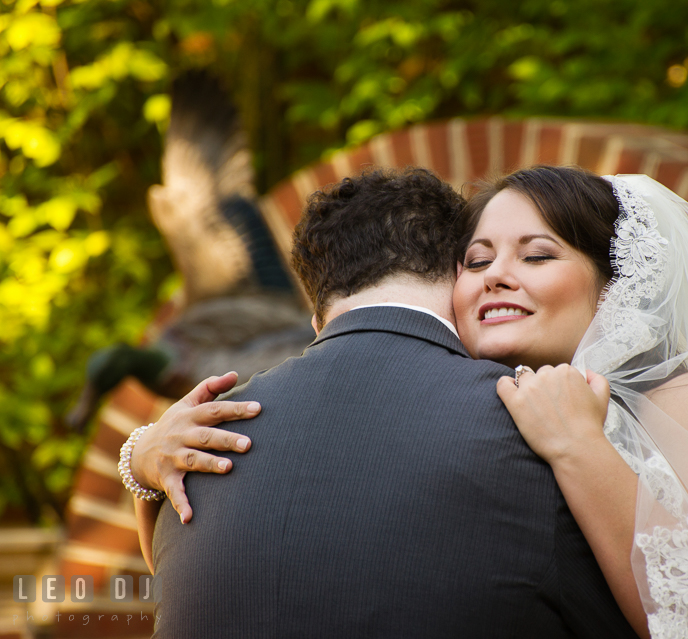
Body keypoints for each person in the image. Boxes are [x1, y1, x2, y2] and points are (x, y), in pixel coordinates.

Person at [128, 166, 688, 638]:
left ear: (614, 287)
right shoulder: (513, 406)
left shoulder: (677, 400)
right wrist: (142, 462)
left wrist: (579, 444)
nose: (498, 274)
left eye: (538, 254)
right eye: (477, 258)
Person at [132, 167, 639, 638]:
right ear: (458, 279)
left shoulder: (190, 448)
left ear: (317, 316)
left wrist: (137, 460)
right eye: (481, 262)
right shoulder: (543, 424)